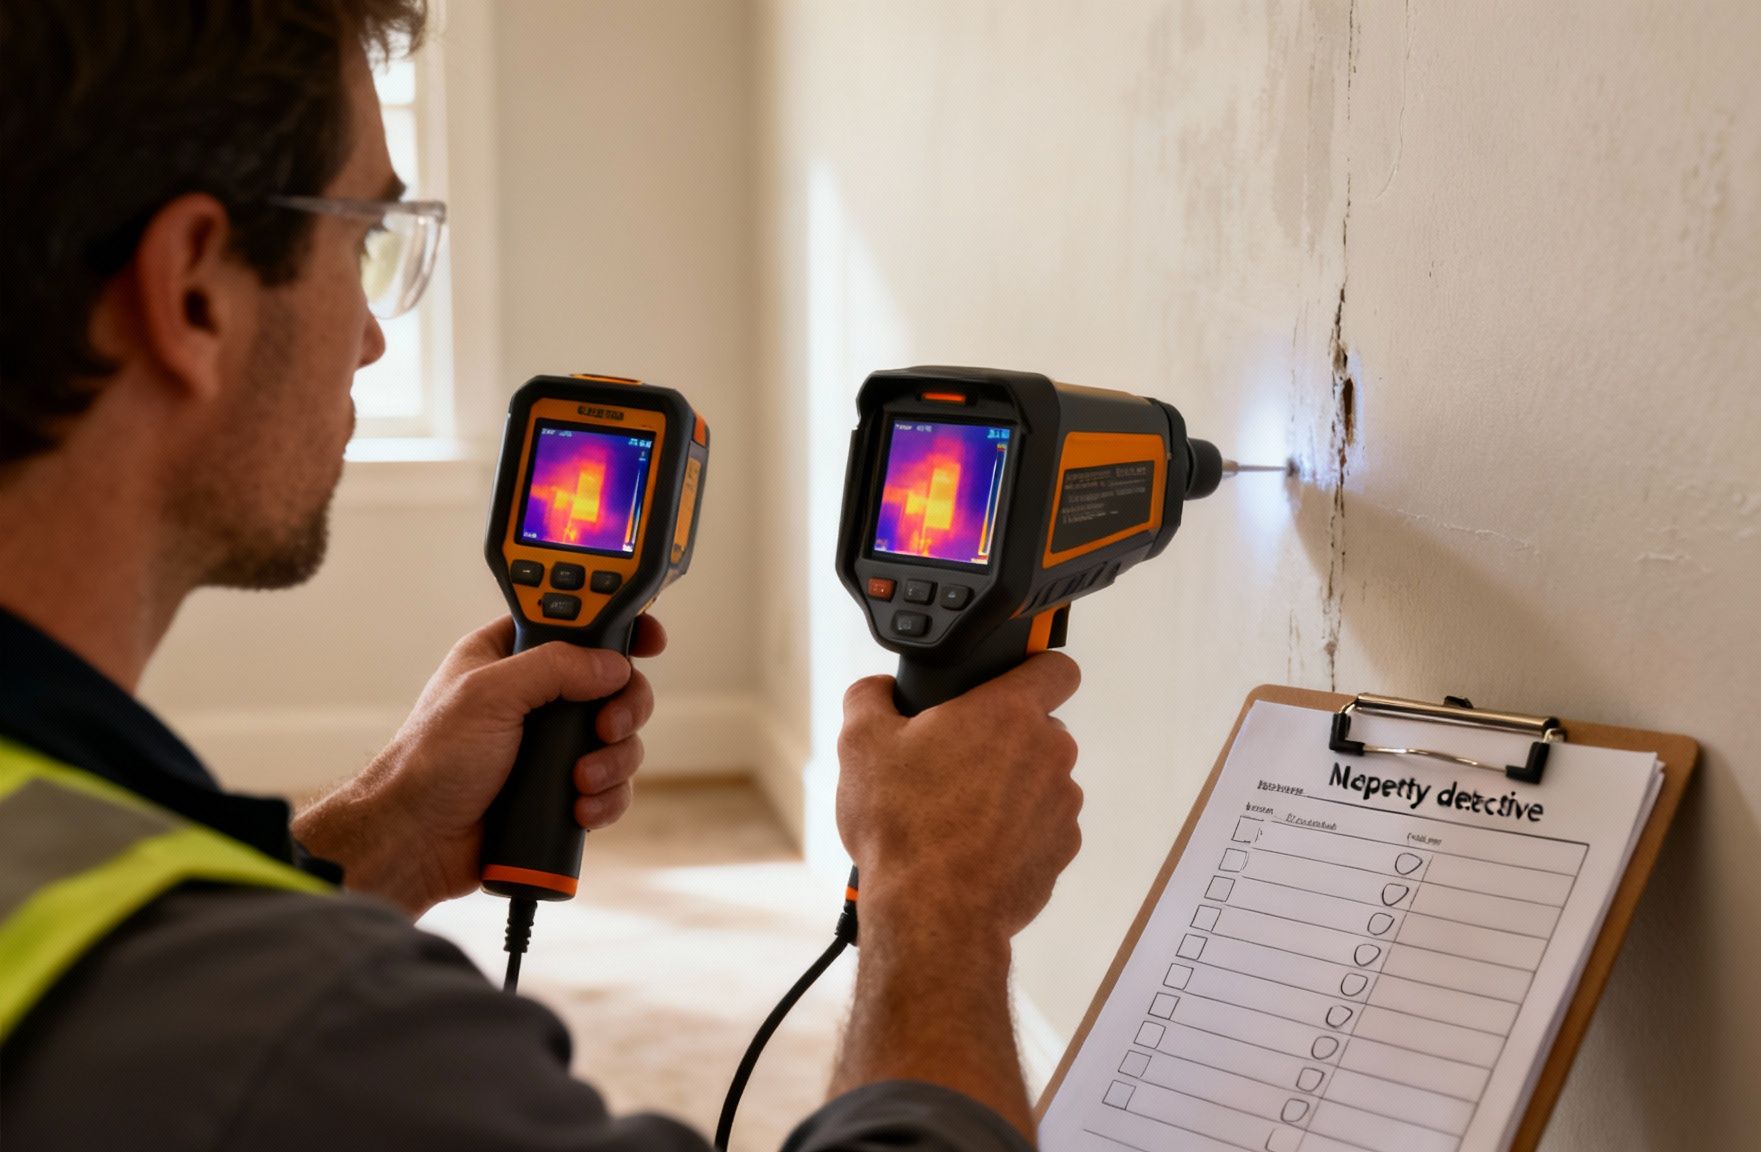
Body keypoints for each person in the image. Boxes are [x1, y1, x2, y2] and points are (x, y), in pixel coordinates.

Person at [0, 2, 1084, 1149]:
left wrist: (385, 833)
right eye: (361, 233)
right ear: (192, 293)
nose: (370, 335)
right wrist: (937, 901)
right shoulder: (321, 1049)